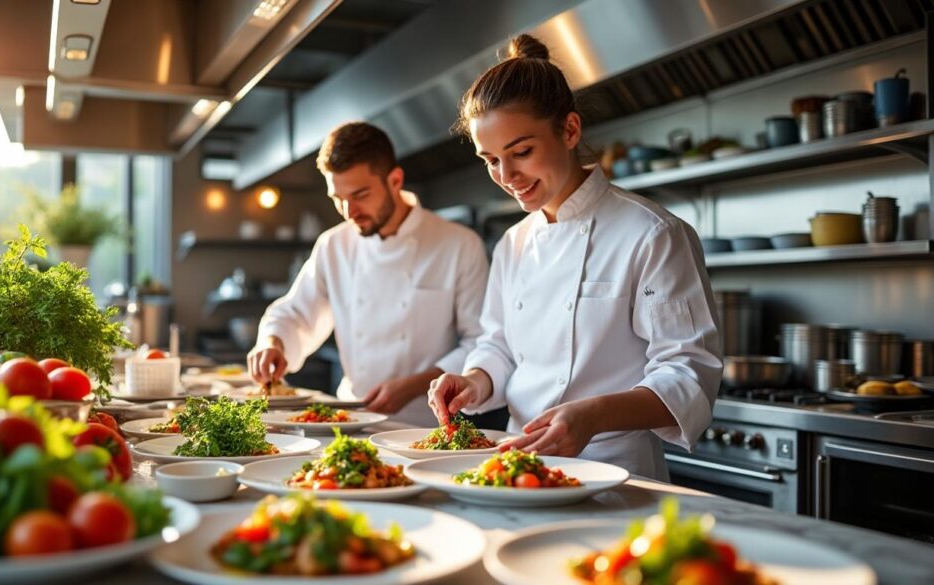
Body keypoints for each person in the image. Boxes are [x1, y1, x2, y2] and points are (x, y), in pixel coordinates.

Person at [427, 34, 722, 480]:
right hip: (516, 465)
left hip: (616, 471)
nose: (507, 177)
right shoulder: (514, 242)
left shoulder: (652, 233)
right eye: (490, 159)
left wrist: (594, 415)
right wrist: (475, 381)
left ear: (569, 130)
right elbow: (500, 345)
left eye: (521, 152)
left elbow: (688, 373)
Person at [248, 122, 489, 426]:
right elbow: (296, 313)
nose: (349, 212)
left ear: (395, 180)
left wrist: (414, 386)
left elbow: (479, 343)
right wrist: (273, 342)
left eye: (360, 194)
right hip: (350, 417)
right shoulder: (333, 245)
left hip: (426, 424)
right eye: (338, 198)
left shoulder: (459, 244)